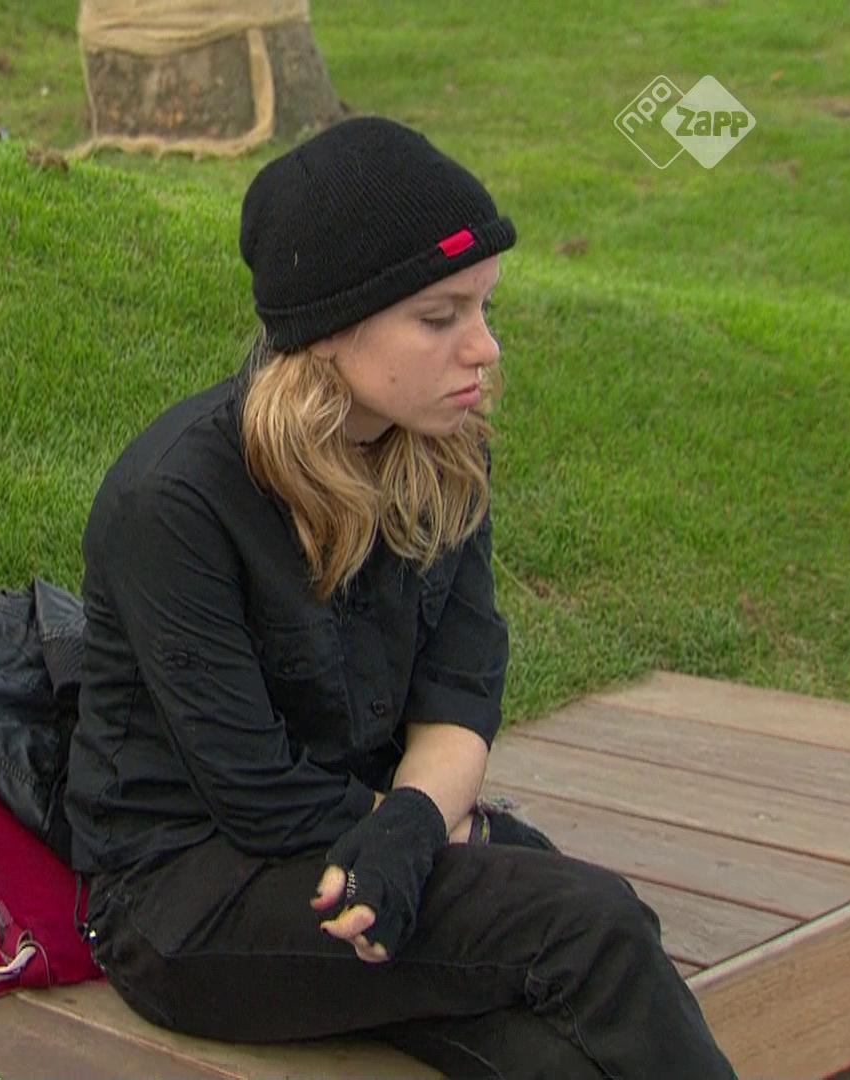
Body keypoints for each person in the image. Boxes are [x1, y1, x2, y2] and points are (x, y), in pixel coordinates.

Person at [64, 117, 735, 1078]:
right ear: (333, 328)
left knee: (562, 1050)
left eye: (484, 308)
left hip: (373, 844)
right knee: (589, 921)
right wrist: (431, 831)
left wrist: (416, 826)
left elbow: (459, 696)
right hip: (193, 899)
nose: (483, 349)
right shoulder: (175, 501)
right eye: (439, 317)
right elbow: (252, 790)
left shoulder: (445, 458)